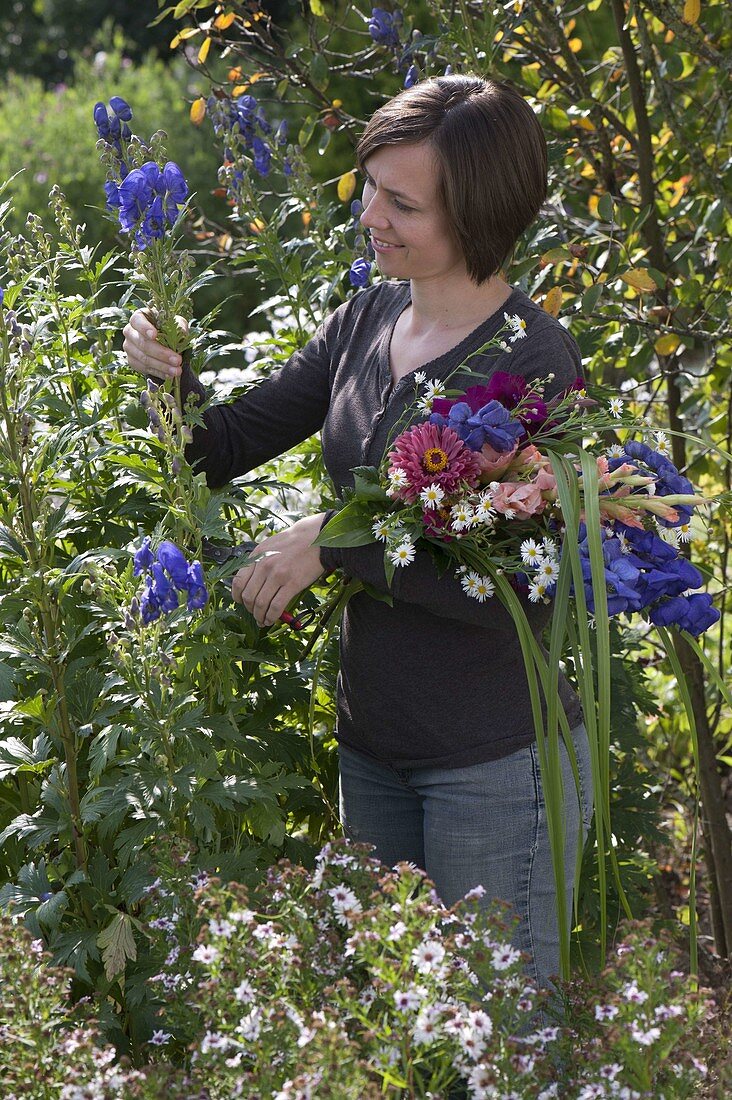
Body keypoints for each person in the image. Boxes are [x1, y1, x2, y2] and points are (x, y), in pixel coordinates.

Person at [123, 75, 594, 997]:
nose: (369, 214)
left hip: (494, 763)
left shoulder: (532, 363)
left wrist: (329, 544)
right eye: (371, 186)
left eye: (402, 202)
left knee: (500, 1042)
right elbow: (222, 448)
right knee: (397, 1030)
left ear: (480, 213)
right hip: (375, 748)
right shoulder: (367, 321)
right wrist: (164, 375)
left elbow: (515, 574)